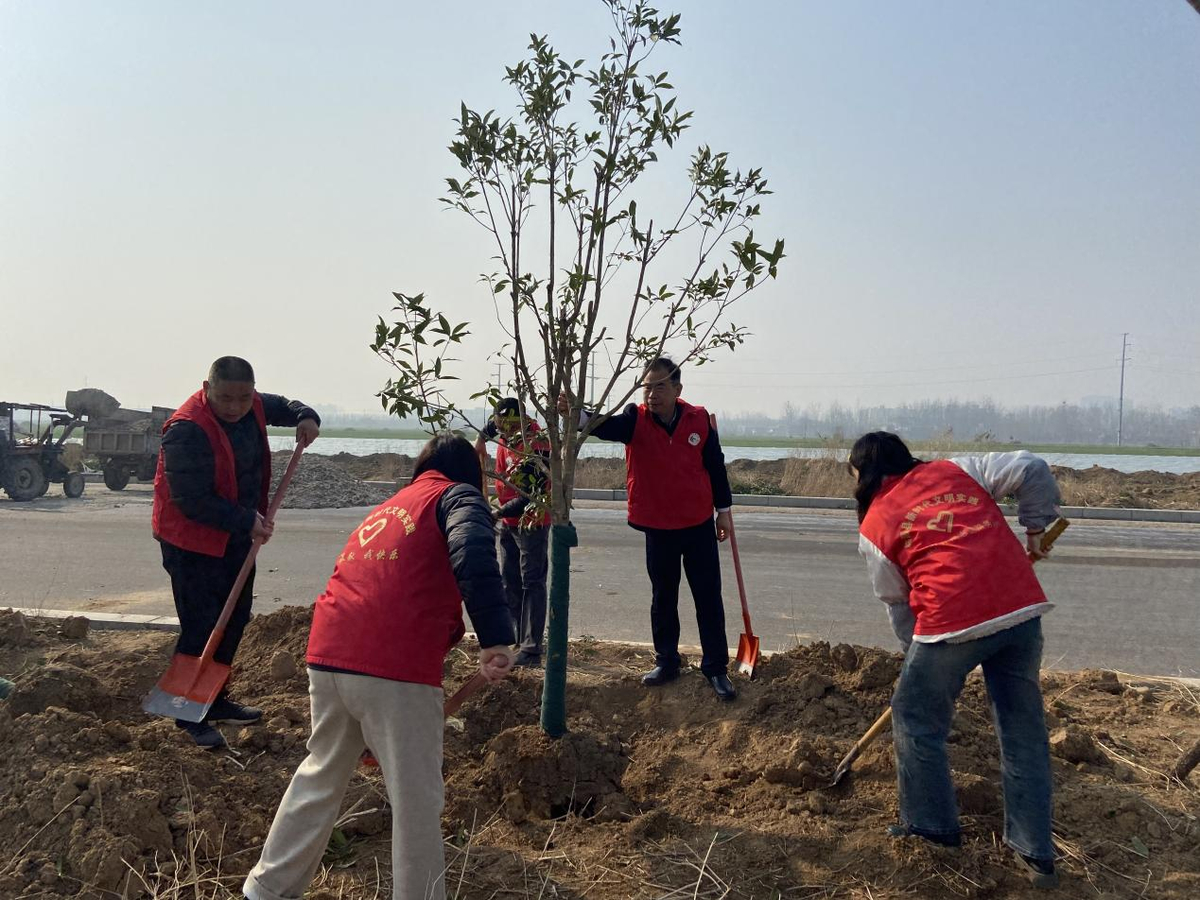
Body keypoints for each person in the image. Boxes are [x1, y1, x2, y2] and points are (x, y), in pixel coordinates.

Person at [243, 433, 515, 900]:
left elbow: (399, 585)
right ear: (470, 475)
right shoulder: (457, 496)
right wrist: (495, 638)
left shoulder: (392, 507)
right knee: (416, 800)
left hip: (329, 656)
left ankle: (266, 890)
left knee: (321, 775)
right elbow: (472, 553)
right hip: (392, 667)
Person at [851, 431, 1061, 889]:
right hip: (1020, 611)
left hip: (952, 623)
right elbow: (1032, 467)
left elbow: (898, 603)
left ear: (862, 475)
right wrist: (1035, 527)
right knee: (1022, 729)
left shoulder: (875, 525)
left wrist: (916, 661)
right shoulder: (959, 469)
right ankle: (1035, 852)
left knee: (914, 717)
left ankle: (932, 828)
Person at [152, 356, 320, 749]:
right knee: (202, 625)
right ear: (207, 388)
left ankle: (215, 698)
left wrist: (306, 415)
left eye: (243, 398)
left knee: (235, 619)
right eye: (225, 398)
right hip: (190, 541)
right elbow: (191, 499)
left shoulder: (255, 404)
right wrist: (246, 520)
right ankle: (188, 713)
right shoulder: (186, 429)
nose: (235, 407)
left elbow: (284, 407)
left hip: (235, 538)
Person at [558, 357, 737, 701]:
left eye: (660, 387)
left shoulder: (698, 419)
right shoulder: (634, 421)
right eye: (646, 387)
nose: (652, 394)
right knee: (663, 597)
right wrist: (575, 412)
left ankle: (716, 668)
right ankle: (667, 660)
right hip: (659, 527)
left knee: (708, 597)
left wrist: (723, 512)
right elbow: (601, 425)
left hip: (698, 523)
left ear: (677, 390)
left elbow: (715, 467)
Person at [473, 397, 551, 667]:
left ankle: (531, 649)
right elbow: (491, 429)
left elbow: (534, 493)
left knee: (532, 582)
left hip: (532, 521)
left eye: (506, 424)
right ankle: (516, 638)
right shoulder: (505, 430)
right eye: (498, 424)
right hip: (509, 522)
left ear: (521, 420)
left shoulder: (535, 443)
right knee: (510, 580)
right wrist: (481, 437)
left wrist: (497, 512)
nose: (501, 429)